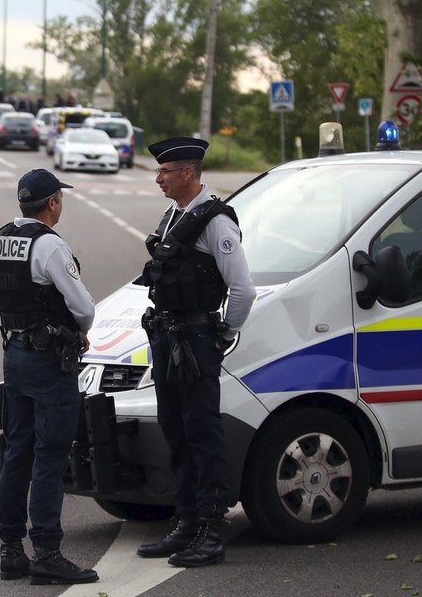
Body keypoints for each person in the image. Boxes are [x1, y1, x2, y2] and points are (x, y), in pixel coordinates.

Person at [134, 137, 255, 568]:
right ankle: (186, 520)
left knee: (203, 433)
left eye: (165, 172)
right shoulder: (175, 216)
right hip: (168, 339)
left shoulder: (215, 221)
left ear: (188, 173)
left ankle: (211, 528)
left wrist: (224, 334)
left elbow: (243, 288)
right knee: (176, 430)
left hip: (197, 339)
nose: (158, 178)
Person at [0, 168, 99, 586]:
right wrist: (76, 331)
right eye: (60, 198)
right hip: (48, 362)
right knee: (51, 454)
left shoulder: (2, 238)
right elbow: (84, 309)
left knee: (17, 451)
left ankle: (11, 550)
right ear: (52, 202)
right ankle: (48, 553)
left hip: (14, 352)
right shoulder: (50, 245)